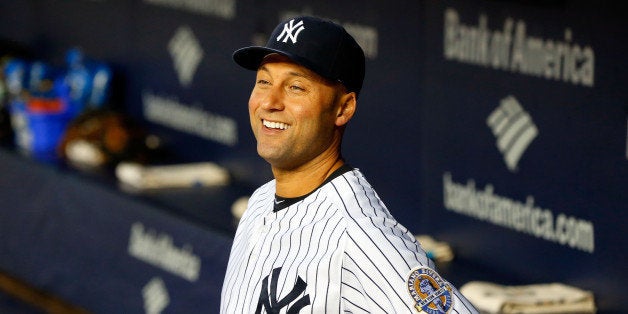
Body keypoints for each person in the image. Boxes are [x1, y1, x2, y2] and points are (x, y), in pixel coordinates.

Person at [220, 15, 478, 313]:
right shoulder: (260, 202)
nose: (269, 102)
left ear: (343, 109)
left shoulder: (358, 234)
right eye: (264, 81)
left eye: (296, 87)